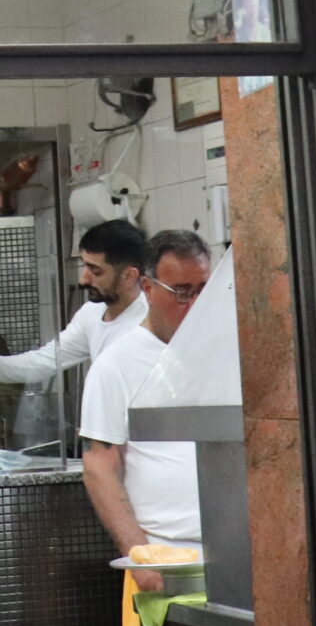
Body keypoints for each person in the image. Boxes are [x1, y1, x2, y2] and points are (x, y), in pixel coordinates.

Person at [75, 233, 234, 591]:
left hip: (236, 551)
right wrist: (140, 556)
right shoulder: (116, 365)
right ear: (147, 287)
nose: (194, 305)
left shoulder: (227, 352)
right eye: (181, 292)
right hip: (166, 560)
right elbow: (100, 467)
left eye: (202, 291)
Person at [0, 219, 158, 385]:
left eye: (95, 271)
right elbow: (45, 362)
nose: (83, 279)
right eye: (85, 267)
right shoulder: (91, 314)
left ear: (129, 276)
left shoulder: (151, 323)